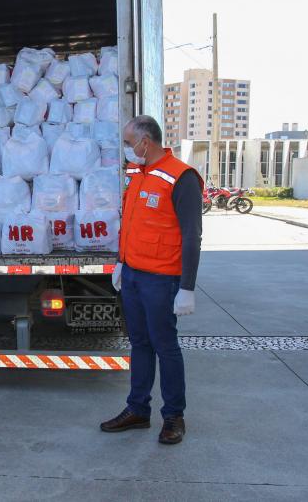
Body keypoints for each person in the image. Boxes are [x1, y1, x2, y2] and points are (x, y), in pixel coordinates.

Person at [100, 115, 202, 445]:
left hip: (161, 279)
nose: (127, 150)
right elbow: (130, 224)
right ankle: (137, 409)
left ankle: (173, 416)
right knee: (140, 345)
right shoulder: (138, 175)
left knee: (165, 346)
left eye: (130, 143)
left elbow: (192, 235)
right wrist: (120, 263)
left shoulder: (181, 178)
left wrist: (187, 286)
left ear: (147, 141)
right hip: (132, 275)